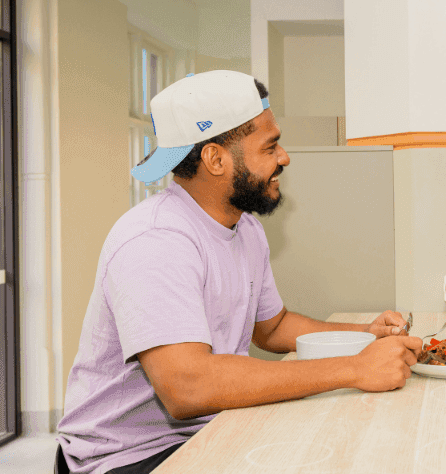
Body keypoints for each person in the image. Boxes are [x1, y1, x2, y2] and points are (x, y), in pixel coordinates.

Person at [56, 71, 423, 474]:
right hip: (128, 457)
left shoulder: (245, 228)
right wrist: (354, 368)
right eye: (270, 147)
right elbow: (187, 386)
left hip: (207, 428)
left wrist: (367, 336)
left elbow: (273, 327)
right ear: (216, 159)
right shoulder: (154, 240)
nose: (284, 157)